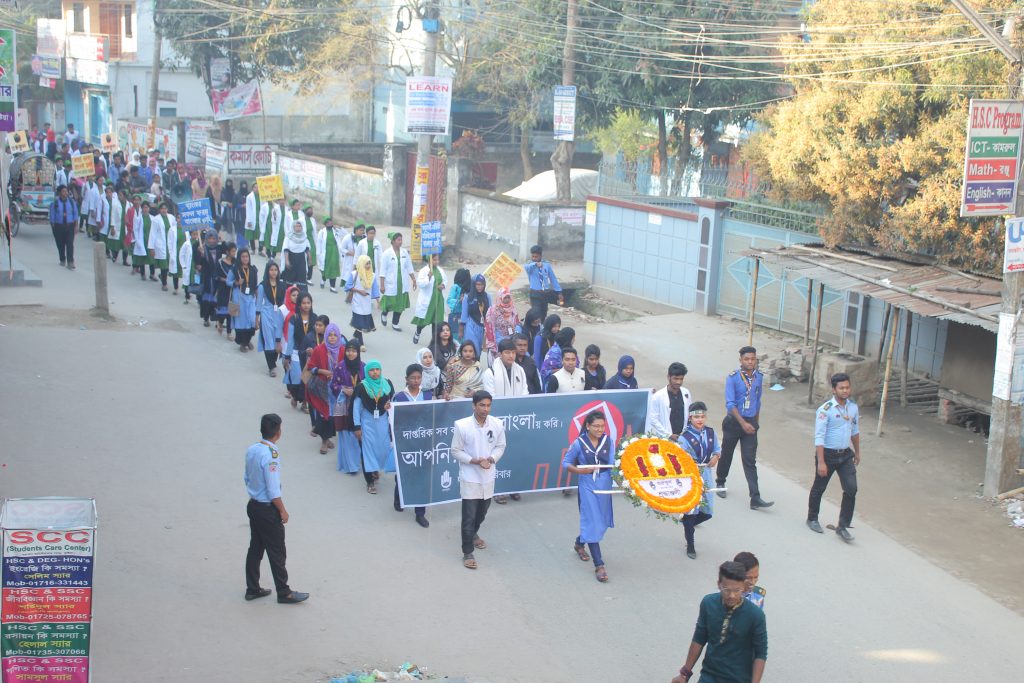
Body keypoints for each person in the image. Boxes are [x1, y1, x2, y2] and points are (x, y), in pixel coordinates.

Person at [244, 413, 309, 604]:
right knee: (277, 551)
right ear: (278, 432)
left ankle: (252, 587)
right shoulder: (271, 455)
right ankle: (284, 591)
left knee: (255, 548)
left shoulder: (252, 449)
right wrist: (282, 510)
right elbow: (273, 490)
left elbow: (246, 477)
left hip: (254, 504)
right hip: (267, 509)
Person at [671, 561, 767, 683]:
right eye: (726, 589)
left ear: (743, 587)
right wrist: (684, 674)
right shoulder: (708, 603)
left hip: (739, 679)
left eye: (737, 590)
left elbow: (760, 653)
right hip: (709, 676)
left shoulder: (755, 615)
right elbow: (699, 638)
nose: (731, 595)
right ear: (719, 585)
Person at [452, 391, 506, 570]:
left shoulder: (497, 424)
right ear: (473, 406)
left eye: (488, 405)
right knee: (468, 515)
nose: (485, 409)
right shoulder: (462, 426)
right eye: (482, 405)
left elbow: (500, 446)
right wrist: (474, 461)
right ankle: (467, 551)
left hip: (488, 475)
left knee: (482, 512)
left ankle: (474, 534)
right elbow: (456, 450)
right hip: (470, 475)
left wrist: (491, 459)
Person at [717, 346, 773, 510]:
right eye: (746, 359)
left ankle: (755, 497)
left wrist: (755, 422)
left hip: (750, 424)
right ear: (740, 360)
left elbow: (757, 400)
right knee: (727, 453)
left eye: (753, 359)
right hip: (734, 422)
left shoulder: (759, 377)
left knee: (750, 460)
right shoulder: (733, 378)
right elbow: (730, 404)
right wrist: (743, 424)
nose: (750, 362)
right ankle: (720, 482)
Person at [562, 411, 615, 583]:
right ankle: (599, 565)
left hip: (604, 483)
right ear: (587, 426)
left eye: (602, 426)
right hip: (587, 484)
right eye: (596, 426)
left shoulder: (609, 441)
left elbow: (613, 462)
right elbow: (566, 463)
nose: (600, 429)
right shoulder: (579, 443)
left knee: (602, 520)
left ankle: (579, 543)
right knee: (593, 522)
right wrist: (580, 470)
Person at [807, 372, 860, 542]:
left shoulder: (853, 408)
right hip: (828, 455)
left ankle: (843, 526)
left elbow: (855, 431)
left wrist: (857, 452)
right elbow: (819, 437)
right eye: (841, 388)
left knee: (851, 489)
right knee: (819, 487)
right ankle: (812, 518)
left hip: (845, 455)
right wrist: (821, 462)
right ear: (834, 389)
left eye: (847, 387)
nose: (845, 390)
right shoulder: (825, 410)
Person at [678, 402, 720, 560]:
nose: (700, 420)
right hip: (691, 476)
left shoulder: (710, 433)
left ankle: (688, 523)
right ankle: (690, 543)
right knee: (691, 511)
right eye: (696, 417)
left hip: (706, 474)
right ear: (690, 418)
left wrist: (716, 457)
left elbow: (717, 449)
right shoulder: (684, 438)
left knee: (708, 511)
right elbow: (681, 459)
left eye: (702, 417)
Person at [392, 363, 431, 527]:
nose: (416, 381)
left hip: (423, 442)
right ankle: (399, 496)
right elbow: (393, 421)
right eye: (413, 378)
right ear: (406, 379)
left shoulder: (428, 396)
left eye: (418, 377)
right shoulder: (399, 397)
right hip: (405, 442)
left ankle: (420, 512)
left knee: (421, 477)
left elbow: (435, 414)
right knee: (404, 473)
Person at [353, 359, 395, 494]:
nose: (375, 372)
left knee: (383, 448)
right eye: (371, 370)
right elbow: (356, 408)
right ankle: (369, 481)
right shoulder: (361, 387)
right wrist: (357, 427)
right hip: (367, 423)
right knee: (368, 450)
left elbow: (391, 402)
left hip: (382, 422)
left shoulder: (387, 384)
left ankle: (375, 468)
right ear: (366, 371)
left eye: (377, 369)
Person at [306, 323, 344, 455]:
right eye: (330, 335)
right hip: (323, 388)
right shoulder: (319, 349)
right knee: (324, 414)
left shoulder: (342, 350)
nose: (332, 338)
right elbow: (311, 367)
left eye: (335, 335)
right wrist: (323, 371)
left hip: (337, 389)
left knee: (333, 415)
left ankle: (328, 438)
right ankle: (324, 440)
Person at [330, 340, 365, 476]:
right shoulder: (339, 367)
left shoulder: (364, 367)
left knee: (357, 433)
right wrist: (343, 389)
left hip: (359, 406)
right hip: (344, 406)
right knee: (346, 434)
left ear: (358, 352)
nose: (351, 353)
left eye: (354, 350)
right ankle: (350, 465)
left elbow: (369, 384)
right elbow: (333, 385)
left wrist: (357, 391)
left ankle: (356, 462)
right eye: (348, 350)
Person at [283, 291, 315, 409]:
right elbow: (290, 339)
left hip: (310, 354)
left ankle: (305, 403)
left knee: (307, 379)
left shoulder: (315, 318)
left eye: (308, 303)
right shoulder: (294, 318)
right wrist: (287, 356)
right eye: (304, 303)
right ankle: (296, 397)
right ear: (299, 305)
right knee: (297, 377)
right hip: (296, 352)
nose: (306, 305)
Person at [379, 231, 416, 331]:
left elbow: (409, 266)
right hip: (391, 283)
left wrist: (413, 279)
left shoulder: (404, 252)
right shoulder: (386, 254)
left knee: (400, 304)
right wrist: (382, 285)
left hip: (402, 283)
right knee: (390, 302)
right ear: (393, 241)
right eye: (398, 240)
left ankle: (395, 323)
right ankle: (384, 313)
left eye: (401, 239)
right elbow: (382, 270)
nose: (401, 242)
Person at [647, 362, 692, 442]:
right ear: (669, 377)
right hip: (665, 440)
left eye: (681, 379)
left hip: (683, 438)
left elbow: (690, 415)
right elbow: (653, 419)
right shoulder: (658, 396)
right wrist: (668, 435)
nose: (679, 382)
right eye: (676, 378)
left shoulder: (686, 393)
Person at [256, 261, 286, 377]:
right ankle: (271, 366)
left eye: (275, 270)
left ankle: (273, 361)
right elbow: (259, 303)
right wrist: (257, 318)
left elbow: (284, 303)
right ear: (267, 271)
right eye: (271, 270)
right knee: (268, 340)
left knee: (277, 339)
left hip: (278, 315)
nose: (273, 272)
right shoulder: (263, 285)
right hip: (267, 314)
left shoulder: (282, 285)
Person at [344, 254, 381, 349]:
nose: (368, 265)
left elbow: (375, 289)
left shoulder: (372, 276)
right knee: (359, 322)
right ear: (361, 263)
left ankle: (356, 334)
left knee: (362, 321)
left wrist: (378, 301)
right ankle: (360, 343)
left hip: (366, 304)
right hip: (356, 302)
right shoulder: (354, 274)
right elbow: (347, 286)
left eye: (369, 263)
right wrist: (359, 291)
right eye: (366, 263)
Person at [410, 253, 447, 345]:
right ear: (429, 260)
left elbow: (445, 280)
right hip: (428, 300)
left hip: (438, 299)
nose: (437, 262)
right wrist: (428, 277)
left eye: (438, 260)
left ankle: (434, 341)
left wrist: (443, 285)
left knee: (437, 321)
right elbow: (421, 284)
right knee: (424, 321)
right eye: (434, 260)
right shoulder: (424, 271)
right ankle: (418, 332)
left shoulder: (440, 270)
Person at [524, 244, 563, 319]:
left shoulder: (546, 265)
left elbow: (553, 278)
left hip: (545, 293)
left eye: (536, 257)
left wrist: (559, 292)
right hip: (535, 294)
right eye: (533, 256)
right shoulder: (529, 265)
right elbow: (527, 268)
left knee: (544, 312)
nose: (534, 258)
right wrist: (535, 264)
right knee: (536, 313)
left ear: (540, 256)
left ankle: (541, 328)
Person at [484, 287, 521, 363]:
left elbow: (517, 323)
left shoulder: (513, 308)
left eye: (508, 297)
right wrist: (492, 345)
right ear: (500, 298)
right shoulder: (493, 310)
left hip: (511, 338)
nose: (507, 299)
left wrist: (517, 332)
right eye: (505, 297)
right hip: (498, 340)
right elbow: (489, 327)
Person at [232, 248, 259, 351]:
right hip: (239, 298)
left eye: (247, 256)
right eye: (243, 256)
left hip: (251, 298)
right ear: (239, 258)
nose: (245, 258)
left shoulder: (253, 269)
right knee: (241, 322)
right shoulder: (235, 269)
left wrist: (258, 298)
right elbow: (228, 282)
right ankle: (243, 343)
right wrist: (236, 283)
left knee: (252, 321)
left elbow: (255, 285)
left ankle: (247, 340)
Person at [48, 185, 79, 269]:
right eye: (63, 191)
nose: (65, 193)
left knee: (70, 244)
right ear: (60, 193)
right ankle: (62, 259)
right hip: (59, 226)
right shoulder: (55, 203)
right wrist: (53, 227)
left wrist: (76, 226)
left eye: (66, 191)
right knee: (60, 244)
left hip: (69, 226)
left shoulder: (72, 202)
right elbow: (52, 216)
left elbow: (75, 214)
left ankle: (70, 262)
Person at [460, 274, 490, 356]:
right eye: (477, 284)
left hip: (483, 327)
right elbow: (464, 314)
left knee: (481, 350)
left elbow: (490, 313)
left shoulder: (487, 296)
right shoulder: (467, 297)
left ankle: (478, 367)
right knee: (473, 348)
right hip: (471, 325)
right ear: (473, 284)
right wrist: (461, 330)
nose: (480, 287)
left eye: (482, 284)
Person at [197, 232, 222, 326]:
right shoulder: (203, 249)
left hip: (216, 278)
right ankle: (206, 318)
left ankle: (216, 319)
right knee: (207, 300)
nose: (211, 241)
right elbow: (199, 264)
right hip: (207, 279)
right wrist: (201, 254)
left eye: (213, 238)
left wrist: (221, 240)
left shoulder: (219, 248)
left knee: (216, 300)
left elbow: (228, 248)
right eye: (209, 239)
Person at [214, 242, 237, 337]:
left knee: (231, 311)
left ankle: (228, 332)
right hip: (223, 289)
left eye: (235, 251)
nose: (234, 253)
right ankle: (219, 322)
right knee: (222, 310)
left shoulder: (236, 263)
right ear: (227, 252)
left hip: (233, 290)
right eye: (232, 251)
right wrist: (226, 280)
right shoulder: (220, 262)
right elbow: (216, 276)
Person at [316, 216, 344, 291]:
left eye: (331, 221)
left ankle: (332, 286)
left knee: (334, 268)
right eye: (328, 222)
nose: (330, 223)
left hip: (334, 252)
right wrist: (318, 255)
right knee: (326, 268)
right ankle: (323, 279)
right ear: (325, 224)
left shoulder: (336, 230)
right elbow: (318, 245)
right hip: (326, 252)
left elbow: (344, 234)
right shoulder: (322, 232)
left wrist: (339, 228)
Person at [281, 221, 310, 288]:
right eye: (296, 226)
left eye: (300, 226)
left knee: (301, 281)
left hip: (301, 260)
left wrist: (309, 259)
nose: (298, 228)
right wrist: (287, 260)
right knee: (289, 281)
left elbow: (307, 248)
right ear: (293, 227)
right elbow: (285, 249)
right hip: (291, 259)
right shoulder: (288, 237)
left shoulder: (304, 236)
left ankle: (302, 297)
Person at [132, 198, 155, 280]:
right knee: (142, 258)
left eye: (147, 207)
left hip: (150, 241)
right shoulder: (138, 218)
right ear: (142, 208)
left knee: (152, 258)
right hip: (142, 241)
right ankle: (143, 274)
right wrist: (138, 242)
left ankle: (152, 274)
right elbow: (135, 230)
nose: (145, 209)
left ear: (149, 208)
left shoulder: (152, 218)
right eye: (144, 207)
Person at [447, 268, 472, 334]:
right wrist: (459, 301)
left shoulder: (470, 288)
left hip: (467, 315)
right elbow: (449, 300)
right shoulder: (456, 287)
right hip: (458, 315)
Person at [301, 204, 318, 283]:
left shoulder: (313, 220)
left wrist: (315, 243)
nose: (310, 211)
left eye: (311, 209)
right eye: (309, 209)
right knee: (304, 259)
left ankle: (309, 277)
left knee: (311, 258)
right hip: (303, 241)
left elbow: (314, 232)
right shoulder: (300, 220)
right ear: (304, 211)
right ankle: (303, 276)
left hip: (311, 241)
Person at [245, 183, 261, 254]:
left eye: (258, 187)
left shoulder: (262, 196)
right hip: (251, 218)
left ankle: (260, 250)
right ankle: (253, 249)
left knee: (261, 234)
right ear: (252, 188)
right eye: (255, 187)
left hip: (260, 218)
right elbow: (248, 209)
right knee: (251, 234)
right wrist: (249, 220)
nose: (257, 189)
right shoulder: (249, 197)